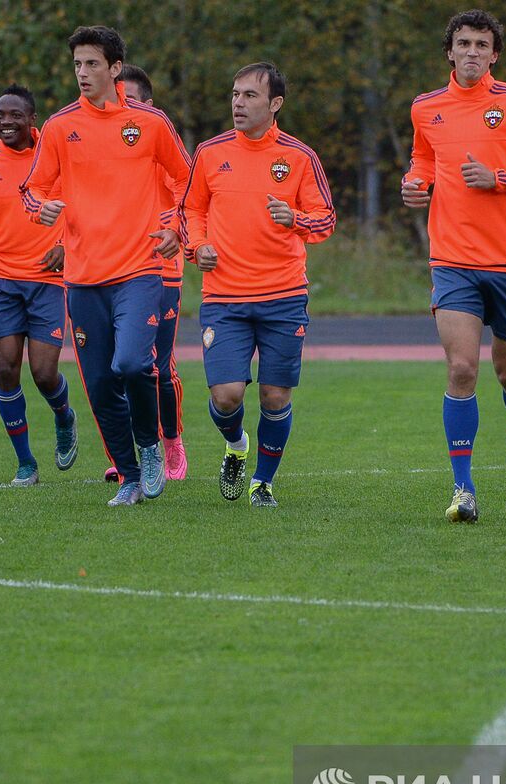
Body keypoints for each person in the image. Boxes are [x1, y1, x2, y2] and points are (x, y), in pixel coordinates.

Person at [402, 10, 506, 524]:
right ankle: (463, 489)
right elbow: (424, 159)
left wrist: (498, 178)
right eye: (463, 43)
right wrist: (416, 181)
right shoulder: (426, 108)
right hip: (453, 259)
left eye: (482, 44)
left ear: (494, 54)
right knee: (462, 368)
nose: (472, 51)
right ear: (449, 51)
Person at [20, 26, 191, 507]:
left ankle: (152, 446)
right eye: (77, 64)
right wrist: (41, 209)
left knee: (135, 363)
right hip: (82, 276)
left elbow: (186, 180)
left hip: (139, 268)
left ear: (115, 69)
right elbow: (33, 189)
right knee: (97, 382)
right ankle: (132, 476)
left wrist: (175, 226)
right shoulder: (58, 127)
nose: (83, 72)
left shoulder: (151, 123)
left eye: (92, 63)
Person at [180, 62, 336, 508]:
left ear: (275, 104)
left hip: (284, 295)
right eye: (235, 94)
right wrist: (198, 246)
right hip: (224, 296)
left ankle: (262, 482)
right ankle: (235, 445)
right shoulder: (210, 153)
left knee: (274, 394)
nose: (238, 103)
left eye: (250, 96)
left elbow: (325, 219)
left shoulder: (300, 157)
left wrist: (296, 219)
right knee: (227, 397)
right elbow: (191, 211)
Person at [0, 85, 76, 486]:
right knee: (7, 369)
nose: (5, 122)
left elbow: (87, 209)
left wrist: (65, 247)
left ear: (32, 119)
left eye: (14, 116)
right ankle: (26, 464)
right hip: (1, 278)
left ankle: (64, 415)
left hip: (48, 281)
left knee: (43, 374)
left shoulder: (57, 158)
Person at [100, 64, 188, 483]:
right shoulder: (104, 148)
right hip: (111, 268)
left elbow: (189, 196)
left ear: (148, 105)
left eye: (132, 99)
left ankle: (170, 440)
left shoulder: (161, 144)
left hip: (161, 267)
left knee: (158, 366)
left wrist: (172, 229)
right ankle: (125, 455)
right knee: (117, 366)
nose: (123, 107)